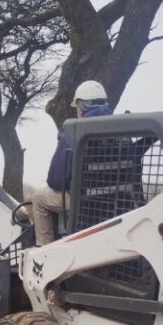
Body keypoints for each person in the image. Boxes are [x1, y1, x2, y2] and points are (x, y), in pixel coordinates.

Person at [32, 80, 113, 246]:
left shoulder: (73, 133)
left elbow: (55, 181)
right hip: (113, 200)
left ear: (81, 107)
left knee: (39, 198)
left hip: (83, 200)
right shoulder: (120, 130)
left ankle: (44, 251)